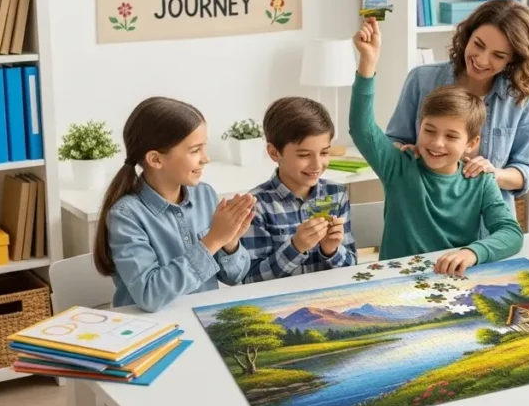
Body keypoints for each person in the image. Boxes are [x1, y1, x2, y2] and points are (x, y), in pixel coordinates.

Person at [352, 17, 523, 275]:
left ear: (471, 144)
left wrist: (471, 252)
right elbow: (362, 128)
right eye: (429, 130)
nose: (437, 143)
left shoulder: (481, 181)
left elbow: (511, 233)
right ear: (419, 126)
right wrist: (367, 62)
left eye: (452, 136)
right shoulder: (399, 166)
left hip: (454, 283)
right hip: (394, 283)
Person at [93, 97, 257, 313]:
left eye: (204, 147)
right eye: (195, 150)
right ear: (155, 159)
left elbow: (236, 277)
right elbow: (149, 295)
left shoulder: (204, 194)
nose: (206, 158)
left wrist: (230, 243)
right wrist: (213, 240)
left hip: (203, 319)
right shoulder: (126, 215)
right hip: (150, 331)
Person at [385, 0, 529, 217]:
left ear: (512, 60)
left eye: (498, 55)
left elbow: (527, 170)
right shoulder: (422, 80)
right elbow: (392, 142)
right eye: (478, 44)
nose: (481, 59)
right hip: (424, 218)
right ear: (467, 36)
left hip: (487, 227)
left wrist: (493, 174)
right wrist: (406, 153)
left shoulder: (519, 99)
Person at [239, 97, 357, 282]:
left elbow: (352, 268)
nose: (317, 164)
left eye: (324, 152)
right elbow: (249, 280)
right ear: (274, 153)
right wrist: (295, 247)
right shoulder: (254, 205)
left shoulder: (337, 194)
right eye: (304, 155)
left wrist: (332, 250)